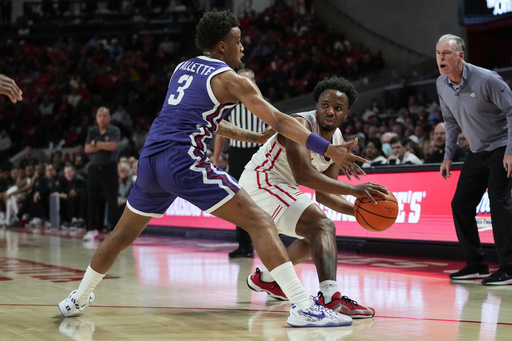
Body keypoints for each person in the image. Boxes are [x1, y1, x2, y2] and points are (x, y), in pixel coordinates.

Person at [58, 10, 367, 328]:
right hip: (183, 161)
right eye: (238, 41)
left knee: (120, 235)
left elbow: (209, 121)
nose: (242, 47)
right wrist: (326, 148)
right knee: (260, 222)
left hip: (150, 159)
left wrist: (251, 137)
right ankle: (304, 307)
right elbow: (280, 120)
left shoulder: (182, 68)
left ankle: (78, 297)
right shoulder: (229, 78)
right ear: (222, 46)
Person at [239, 76, 388, 318]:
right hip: (261, 181)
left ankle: (266, 279)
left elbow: (325, 195)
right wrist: (354, 190)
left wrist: (361, 211)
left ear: (346, 113)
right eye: (325, 105)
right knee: (322, 226)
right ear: (317, 105)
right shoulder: (301, 124)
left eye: (338, 108)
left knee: (319, 236)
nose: (330, 111)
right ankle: (330, 298)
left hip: (282, 186)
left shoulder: (337, 139)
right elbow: (303, 175)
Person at [436, 34, 512, 285]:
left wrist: (510, 151)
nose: (441, 58)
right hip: (477, 152)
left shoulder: (487, 79)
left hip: (502, 147)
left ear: (460, 55)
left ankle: (509, 267)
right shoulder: (441, 84)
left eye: (446, 53)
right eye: (438, 53)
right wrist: (448, 156)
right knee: (460, 205)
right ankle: (477, 263)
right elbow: (449, 122)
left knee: (498, 201)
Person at [212, 68, 267, 259]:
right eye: (240, 81)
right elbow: (220, 134)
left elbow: (273, 131)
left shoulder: (264, 103)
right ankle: (244, 245)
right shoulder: (229, 105)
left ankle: (269, 243)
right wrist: (216, 158)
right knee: (239, 200)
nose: (244, 85)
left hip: (259, 155)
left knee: (263, 199)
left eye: (248, 81)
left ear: (254, 83)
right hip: (236, 154)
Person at [83, 106, 121, 241]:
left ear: (109, 118)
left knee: (112, 200)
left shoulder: (114, 130)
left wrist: (97, 144)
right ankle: (92, 229)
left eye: (105, 116)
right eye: (100, 115)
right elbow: (87, 148)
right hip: (94, 169)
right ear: (96, 118)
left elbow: (112, 146)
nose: (102, 118)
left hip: (109, 168)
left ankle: (115, 230)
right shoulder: (92, 131)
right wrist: (102, 145)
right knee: (92, 200)